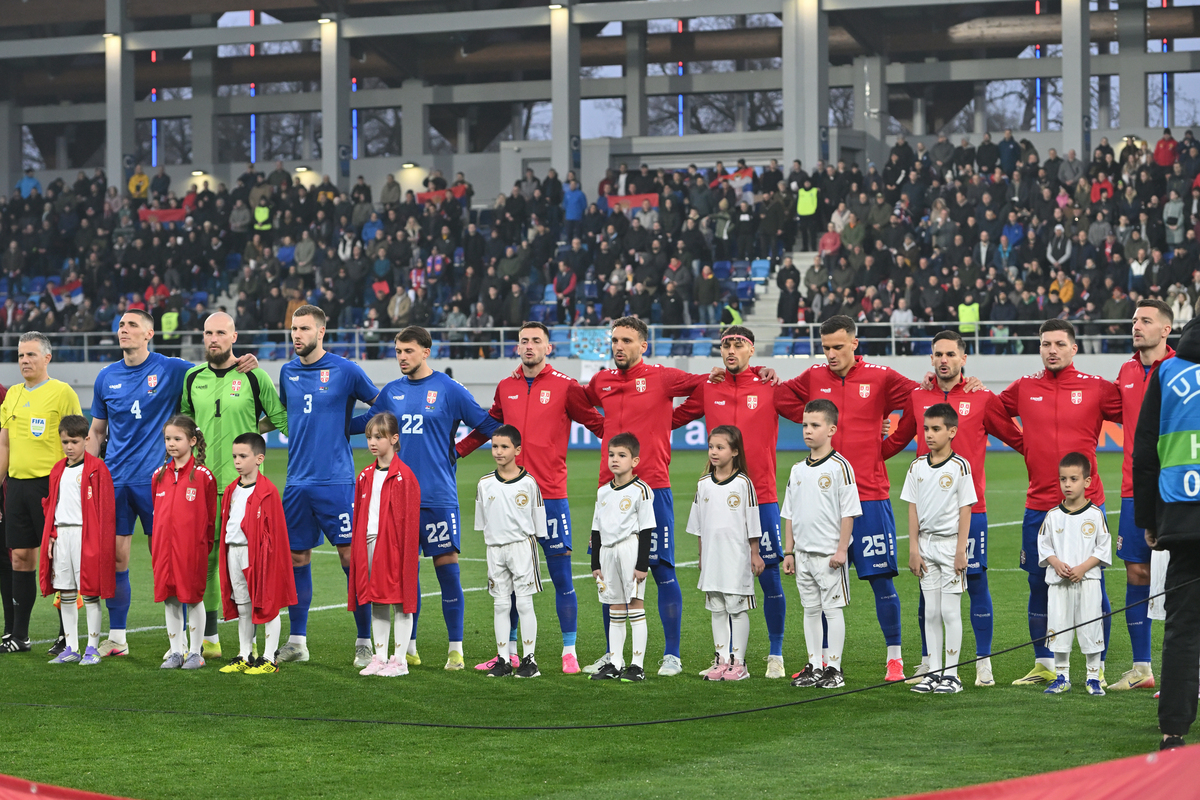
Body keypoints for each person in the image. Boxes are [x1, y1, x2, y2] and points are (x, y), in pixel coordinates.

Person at [87, 310, 255, 659]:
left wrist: (243, 360)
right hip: (117, 480)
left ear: (149, 333)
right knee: (116, 560)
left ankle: (180, 643)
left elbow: (215, 365)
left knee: (171, 559)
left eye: (132, 325)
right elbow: (98, 432)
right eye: (120, 325)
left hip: (160, 483)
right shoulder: (106, 377)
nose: (124, 330)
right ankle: (117, 638)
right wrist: (86, 474)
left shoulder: (173, 368)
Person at [775, 315, 919, 681]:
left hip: (870, 496)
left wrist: (887, 446)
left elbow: (920, 400)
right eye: (825, 347)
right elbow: (780, 398)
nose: (831, 354)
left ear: (855, 343)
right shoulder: (813, 377)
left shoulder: (881, 376)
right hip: (823, 504)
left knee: (881, 580)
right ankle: (821, 662)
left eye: (838, 346)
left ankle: (895, 658)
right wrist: (772, 380)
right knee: (822, 586)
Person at [456, 322, 604, 674]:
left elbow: (596, 423)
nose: (529, 346)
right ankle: (507, 654)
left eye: (536, 341)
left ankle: (569, 651)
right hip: (508, 498)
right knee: (506, 579)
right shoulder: (505, 386)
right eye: (523, 340)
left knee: (562, 574)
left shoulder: (566, 386)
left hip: (550, 494)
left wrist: (626, 445)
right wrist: (458, 450)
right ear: (517, 346)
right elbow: (491, 425)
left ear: (548, 348)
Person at [881, 330, 1025, 687]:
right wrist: (865, 454)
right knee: (926, 589)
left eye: (950, 354)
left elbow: (1015, 437)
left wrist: (1050, 463)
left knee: (976, 581)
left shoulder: (982, 398)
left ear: (963, 359)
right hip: (927, 514)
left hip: (969, 512)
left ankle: (983, 661)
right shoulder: (918, 397)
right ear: (931, 359)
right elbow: (898, 440)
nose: (943, 360)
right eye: (938, 354)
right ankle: (929, 661)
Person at [351, 326, 498, 670]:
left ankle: (456, 649)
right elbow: (367, 423)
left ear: (426, 351)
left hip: (437, 497)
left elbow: (487, 424)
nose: (402, 357)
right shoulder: (391, 392)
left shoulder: (449, 390)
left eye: (408, 351)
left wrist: (458, 450)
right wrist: (326, 420)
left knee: (448, 572)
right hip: (397, 501)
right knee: (404, 575)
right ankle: (410, 647)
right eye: (398, 351)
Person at [999, 319, 1121, 687]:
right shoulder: (1024, 387)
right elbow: (990, 413)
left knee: (1092, 587)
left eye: (1059, 344)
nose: (1051, 350)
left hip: (1087, 508)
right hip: (1039, 505)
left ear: (1074, 349)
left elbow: (1135, 411)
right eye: (1045, 344)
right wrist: (1024, 444)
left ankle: (1095, 668)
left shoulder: (1097, 388)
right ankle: (1045, 664)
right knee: (1039, 585)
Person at [583, 317, 707, 677]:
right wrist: (603, 429)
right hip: (609, 490)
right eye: (615, 340)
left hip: (653, 488)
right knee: (609, 574)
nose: (618, 346)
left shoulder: (663, 377)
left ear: (643, 346)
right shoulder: (601, 381)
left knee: (662, 568)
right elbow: (583, 403)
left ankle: (672, 655)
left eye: (626, 340)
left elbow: (704, 386)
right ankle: (613, 654)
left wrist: (672, 419)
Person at [672, 325, 795, 677]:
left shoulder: (769, 386)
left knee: (769, 576)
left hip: (763, 497)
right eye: (726, 344)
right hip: (718, 496)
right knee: (721, 581)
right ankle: (725, 658)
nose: (731, 349)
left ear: (751, 350)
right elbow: (674, 417)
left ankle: (775, 654)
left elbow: (809, 415)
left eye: (738, 344)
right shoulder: (709, 387)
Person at [275, 305, 380, 666]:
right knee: (296, 558)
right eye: (293, 328)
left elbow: (380, 407)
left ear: (321, 332)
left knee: (351, 559)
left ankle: (364, 641)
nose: (296, 335)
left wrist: (348, 426)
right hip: (297, 483)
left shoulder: (346, 370)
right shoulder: (286, 372)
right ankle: (297, 641)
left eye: (303, 328)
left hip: (336, 482)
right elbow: (288, 416)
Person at [179, 311, 288, 660]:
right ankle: (210, 636)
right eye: (208, 333)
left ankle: (255, 641)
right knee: (205, 561)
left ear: (234, 337)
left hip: (243, 489)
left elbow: (282, 417)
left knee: (251, 563)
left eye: (221, 333)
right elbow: (184, 423)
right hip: (202, 486)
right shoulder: (192, 377)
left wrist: (255, 434)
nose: (214, 339)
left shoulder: (254, 376)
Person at [1133, 316, 1200, 748]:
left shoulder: (1168, 371)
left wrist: (1150, 522)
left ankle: (1173, 731)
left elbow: (1144, 453)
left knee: (1182, 630)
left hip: (1182, 519)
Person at [0, 332, 83, 653]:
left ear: (47, 358)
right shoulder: (13, 396)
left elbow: (77, 440)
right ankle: (20, 635)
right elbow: (4, 444)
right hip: (17, 487)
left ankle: (67, 634)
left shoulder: (62, 392)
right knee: (20, 558)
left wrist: (76, 483)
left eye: (31, 355)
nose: (24, 360)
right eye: (21, 355)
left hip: (52, 487)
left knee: (60, 559)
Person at [1108, 299, 1173, 692]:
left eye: (1146, 320)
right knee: (1137, 573)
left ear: (1166, 329)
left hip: (1175, 491)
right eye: (1134, 320)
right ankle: (1142, 669)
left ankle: (1186, 672)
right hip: (1133, 490)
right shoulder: (1126, 370)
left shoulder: (1183, 370)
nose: (1137, 326)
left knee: (1182, 577)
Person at [781, 400, 861, 690]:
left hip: (829, 555)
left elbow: (848, 512)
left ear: (831, 429)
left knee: (832, 610)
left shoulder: (841, 467)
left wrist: (842, 550)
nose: (808, 430)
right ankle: (814, 664)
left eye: (815, 425)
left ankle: (834, 668)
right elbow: (789, 513)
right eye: (805, 425)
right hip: (802, 554)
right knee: (810, 610)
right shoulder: (797, 469)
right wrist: (788, 551)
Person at [901, 404, 977, 695]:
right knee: (930, 612)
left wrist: (961, 549)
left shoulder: (960, 466)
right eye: (926, 429)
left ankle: (952, 675)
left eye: (936, 429)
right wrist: (914, 549)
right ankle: (933, 673)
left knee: (949, 611)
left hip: (950, 545)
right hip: (926, 545)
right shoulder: (916, 466)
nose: (929, 435)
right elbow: (912, 508)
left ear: (952, 431)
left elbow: (966, 508)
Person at [217, 433, 296, 675]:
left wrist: (270, 560)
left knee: (268, 605)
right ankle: (245, 654)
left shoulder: (267, 491)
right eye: (234, 456)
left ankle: (269, 658)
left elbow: (277, 533)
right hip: (234, 551)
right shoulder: (232, 489)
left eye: (243, 456)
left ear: (259, 458)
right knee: (243, 606)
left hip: (259, 555)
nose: (237, 461)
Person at [38, 415, 115, 666]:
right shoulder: (57, 469)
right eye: (64, 442)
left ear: (87, 439)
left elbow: (106, 509)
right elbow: (51, 505)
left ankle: (92, 648)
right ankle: (71, 647)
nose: (69, 447)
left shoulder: (97, 468)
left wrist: (102, 543)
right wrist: (51, 535)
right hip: (62, 536)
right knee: (66, 592)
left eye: (74, 441)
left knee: (91, 592)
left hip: (86, 534)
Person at [688, 425, 763, 682]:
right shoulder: (703, 484)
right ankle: (721, 660)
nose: (714, 452)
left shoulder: (743, 483)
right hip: (712, 558)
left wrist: (755, 553)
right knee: (717, 609)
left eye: (720, 447)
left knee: (736, 609)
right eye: (711, 447)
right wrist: (701, 556)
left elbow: (752, 522)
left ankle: (738, 663)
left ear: (734, 451)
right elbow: (698, 525)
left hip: (736, 558)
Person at [350, 414, 421, 679]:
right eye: (369, 437)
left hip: (393, 546)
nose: (372, 442)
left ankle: (399, 660)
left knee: (400, 601)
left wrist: (405, 554)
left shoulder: (405, 476)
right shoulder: (365, 475)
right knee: (375, 600)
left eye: (379, 437)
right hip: (368, 542)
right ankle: (379, 657)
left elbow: (411, 522)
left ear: (394, 439)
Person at [475, 425, 548, 679]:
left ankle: (530, 661)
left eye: (504, 446)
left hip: (522, 548)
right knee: (500, 605)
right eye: (495, 446)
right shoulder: (484, 484)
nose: (498, 451)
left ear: (517, 450)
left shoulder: (529, 483)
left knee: (525, 603)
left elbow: (539, 525)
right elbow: (481, 523)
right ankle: (503, 660)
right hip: (494, 549)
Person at [1038, 453, 1111, 697]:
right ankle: (1062, 676)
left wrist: (1083, 568)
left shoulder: (1095, 514)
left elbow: (1103, 548)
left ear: (1087, 482)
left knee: (1091, 628)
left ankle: (1093, 677)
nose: (1067, 484)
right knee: (1059, 628)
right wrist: (1055, 562)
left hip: (1088, 581)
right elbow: (1044, 545)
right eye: (1063, 479)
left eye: (1073, 479)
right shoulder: (1052, 516)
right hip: (1059, 584)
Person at [588, 433, 656, 683]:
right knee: (614, 607)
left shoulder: (642, 490)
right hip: (607, 552)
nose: (615, 460)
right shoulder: (603, 491)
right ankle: (615, 663)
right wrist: (595, 562)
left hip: (630, 550)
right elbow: (596, 529)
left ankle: (637, 665)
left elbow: (647, 528)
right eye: (611, 455)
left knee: (635, 606)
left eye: (622, 455)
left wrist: (642, 564)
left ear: (634, 460)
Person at [151, 415, 217, 670]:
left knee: (193, 598)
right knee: (170, 598)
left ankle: (195, 652)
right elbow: (157, 514)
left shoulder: (203, 476)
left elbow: (209, 518)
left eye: (177, 438)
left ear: (191, 441)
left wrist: (200, 545)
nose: (171, 443)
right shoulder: (158, 475)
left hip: (191, 550)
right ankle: (176, 651)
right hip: (164, 551)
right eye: (168, 438)